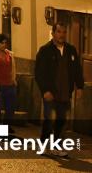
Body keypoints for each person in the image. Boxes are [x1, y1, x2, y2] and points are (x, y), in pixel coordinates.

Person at [35, 22, 84, 157]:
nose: (62, 35)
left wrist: (79, 86)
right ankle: (44, 145)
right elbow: (39, 73)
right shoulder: (45, 50)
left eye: (64, 32)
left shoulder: (71, 50)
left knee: (61, 121)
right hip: (51, 93)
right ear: (53, 33)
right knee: (49, 120)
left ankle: (56, 146)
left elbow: (77, 70)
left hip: (65, 93)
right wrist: (45, 90)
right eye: (59, 32)